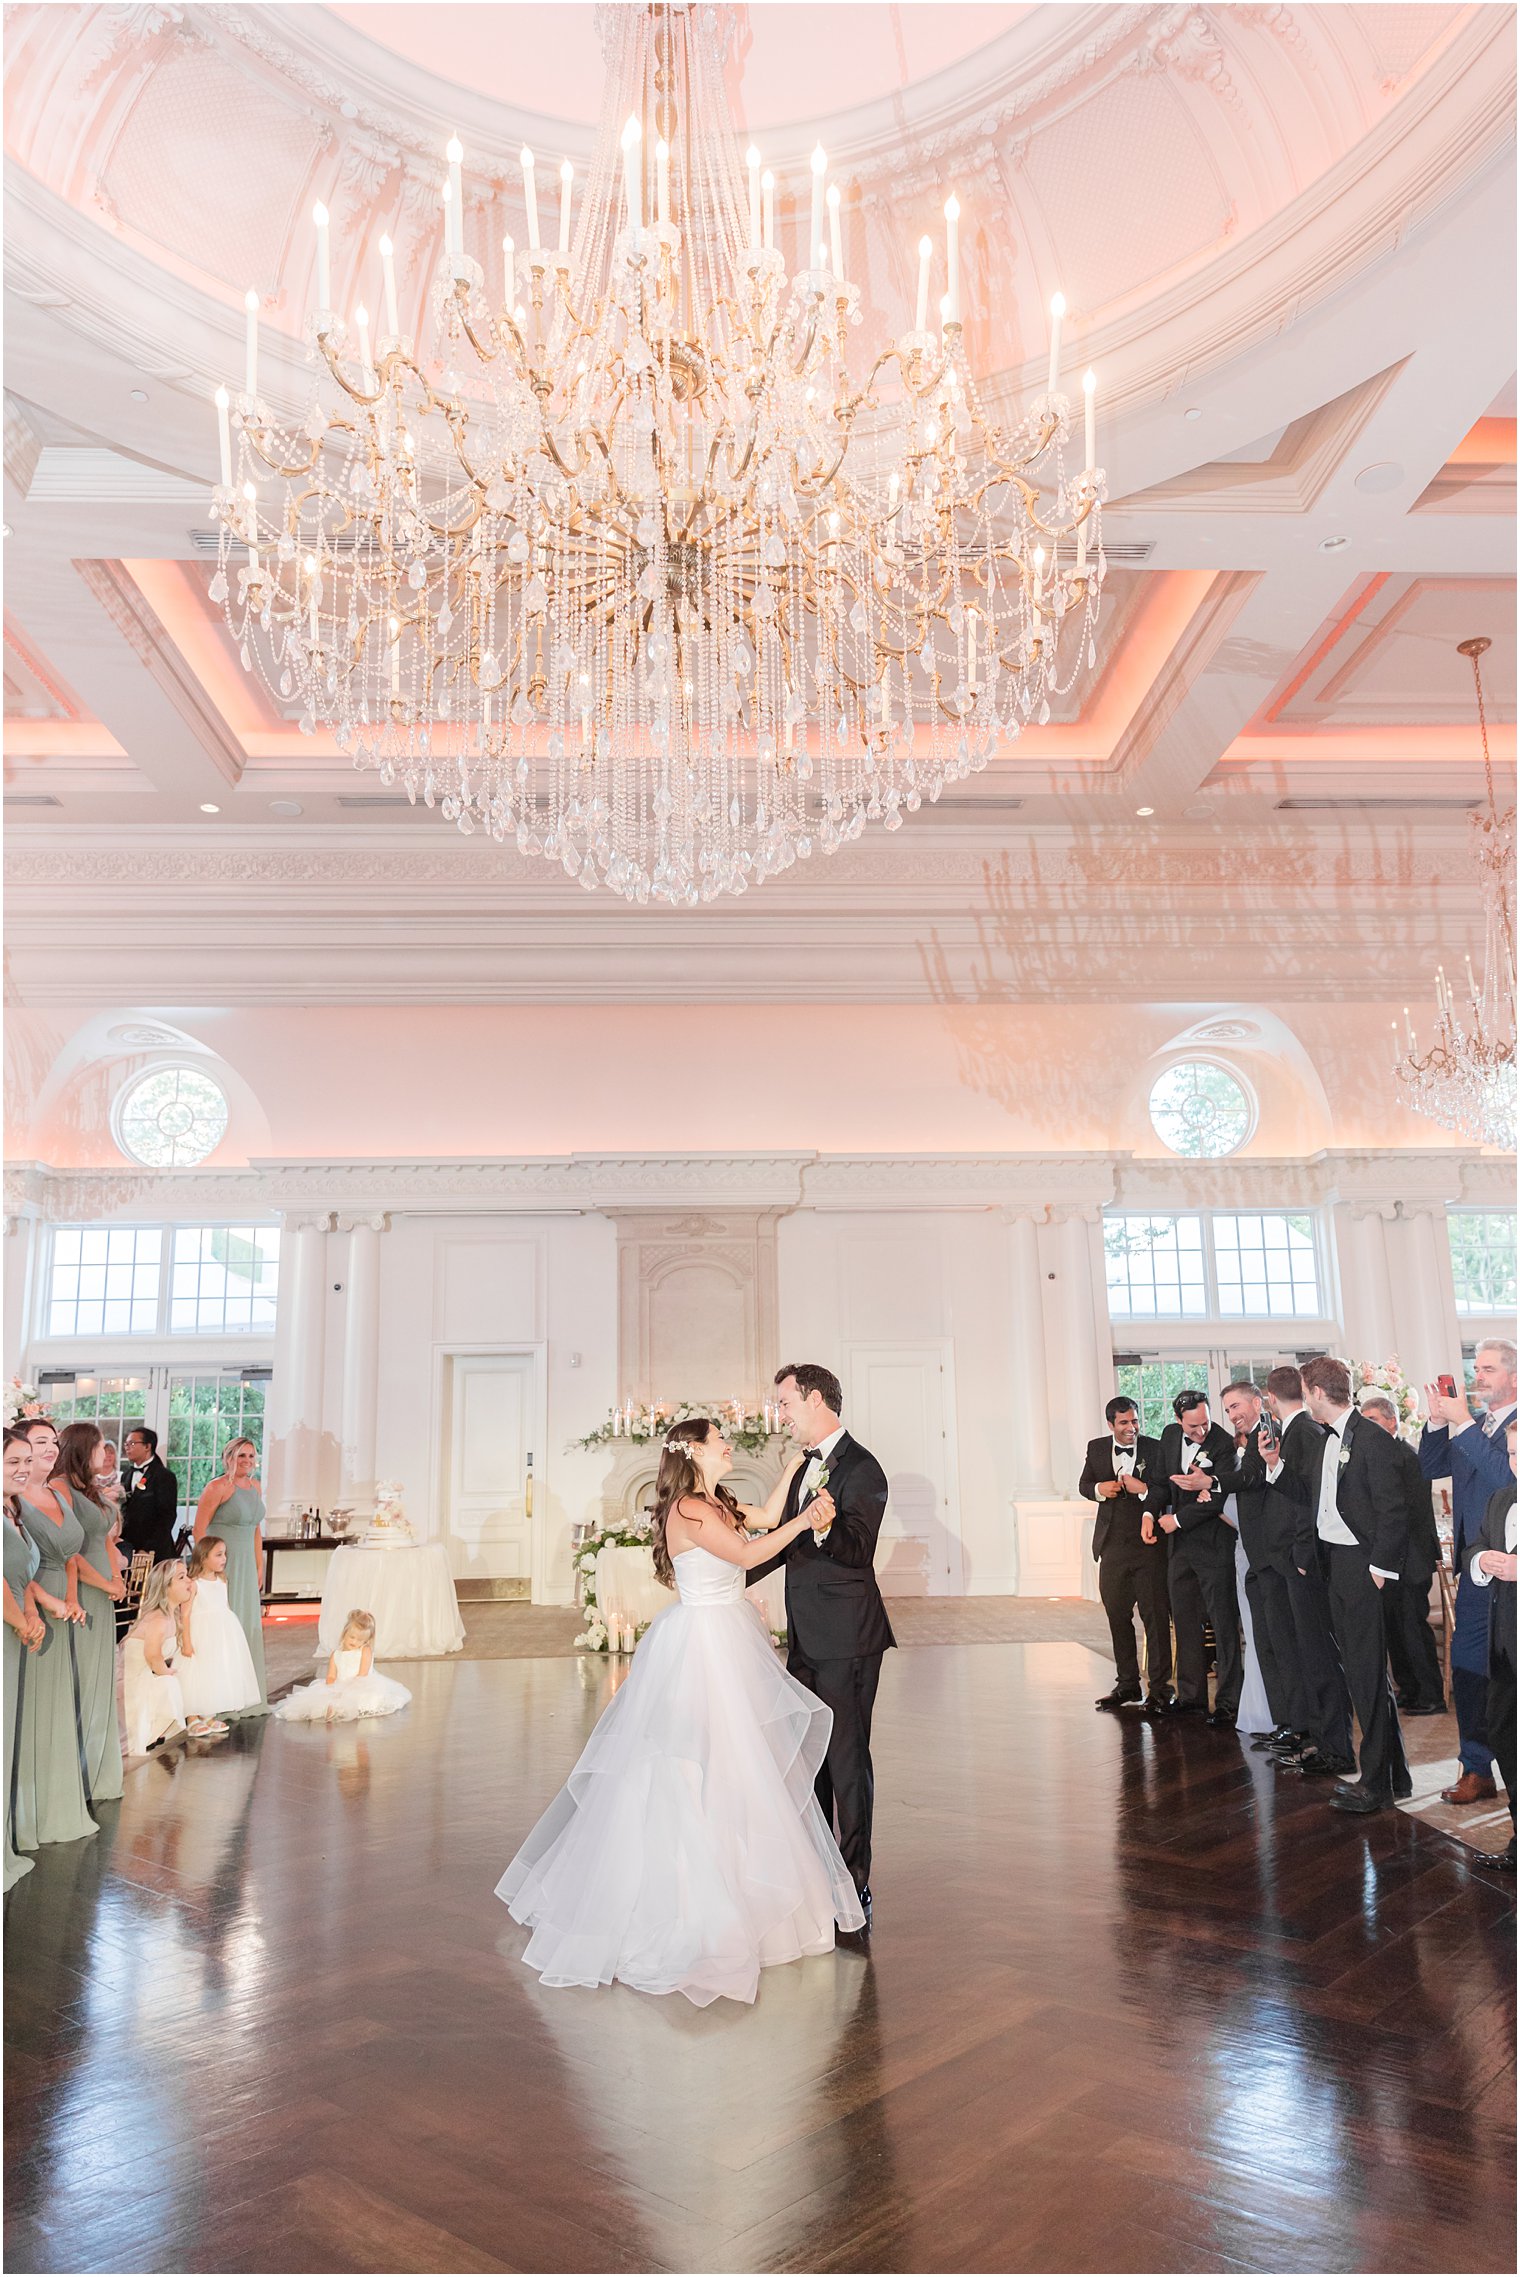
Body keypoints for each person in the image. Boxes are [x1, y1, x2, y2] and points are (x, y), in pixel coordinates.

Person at [498, 1419, 862, 2004]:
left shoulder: (712, 1500)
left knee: (740, 1763)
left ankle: (745, 1885)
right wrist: (805, 1522)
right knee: (698, 1764)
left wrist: (795, 1474)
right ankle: (693, 1902)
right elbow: (747, 1551)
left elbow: (763, 1518)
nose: (727, 1444)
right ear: (693, 1450)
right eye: (719, 1438)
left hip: (726, 1638)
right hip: (702, 1648)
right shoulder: (690, 1509)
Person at [751, 1363, 895, 1926]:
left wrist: (827, 1525)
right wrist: (720, 1582)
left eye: (785, 1404)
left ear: (814, 1399)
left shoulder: (862, 1467)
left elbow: (858, 1550)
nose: (781, 1416)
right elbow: (786, 1543)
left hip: (849, 1639)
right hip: (807, 1638)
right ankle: (821, 1870)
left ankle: (855, 1880)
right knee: (811, 1759)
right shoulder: (806, 1466)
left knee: (847, 1759)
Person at [1270, 1357, 1410, 1815]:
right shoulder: (1323, 1439)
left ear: (1314, 1392)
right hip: (1335, 1565)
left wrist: (1380, 1569)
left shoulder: (1372, 1438)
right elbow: (1313, 1496)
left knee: (1367, 1675)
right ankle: (1395, 1775)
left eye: (1304, 1389)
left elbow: (1394, 1511)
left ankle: (1375, 1784)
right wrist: (1273, 1464)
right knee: (1362, 1672)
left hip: (1362, 1567)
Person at [1420, 1340, 1517, 1806]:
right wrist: (1438, 1421)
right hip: (1476, 1573)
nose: (1478, 1377)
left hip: (1512, 1570)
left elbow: (1506, 1479)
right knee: (1467, 1669)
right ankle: (1477, 1768)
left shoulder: (1510, 1429)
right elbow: (1429, 1466)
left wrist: (1461, 1423)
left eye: (1490, 1369)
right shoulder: (1471, 1426)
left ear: (1514, 1378)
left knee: (1508, 1674)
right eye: (1475, 1368)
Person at [1258, 1366, 1353, 1779]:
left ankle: (1333, 1744)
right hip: (1298, 1557)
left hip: (1307, 1559)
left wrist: (1300, 1553)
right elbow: (1299, 1489)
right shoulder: (1296, 1434)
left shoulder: (1305, 1432)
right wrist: (1274, 1464)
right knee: (1309, 1654)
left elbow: (1308, 1504)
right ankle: (1321, 1738)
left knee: (1320, 1656)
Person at [12, 1417, 96, 1846]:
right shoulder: (14, 1498)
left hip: (65, 1605)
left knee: (60, 1703)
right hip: (32, 1604)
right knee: (30, 1705)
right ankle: (27, 1812)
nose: (48, 1448)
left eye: (51, 1441)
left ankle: (54, 1801)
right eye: (37, 1441)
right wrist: (44, 1603)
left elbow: (70, 1554)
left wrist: (75, 1597)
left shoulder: (54, 1493)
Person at [1155, 1390, 1242, 1726]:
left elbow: (1219, 1499)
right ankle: (1191, 1697)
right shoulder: (1169, 1435)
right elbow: (1162, 1484)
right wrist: (1151, 1514)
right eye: (1193, 1426)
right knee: (1186, 1623)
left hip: (1214, 1546)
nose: (1201, 1431)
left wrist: (1176, 1520)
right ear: (1179, 1421)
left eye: (1204, 1422)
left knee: (1223, 1626)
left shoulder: (1223, 1443)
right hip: (1179, 1549)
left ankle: (1229, 1702)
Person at [1079, 1396, 1171, 1713]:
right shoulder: (1095, 1448)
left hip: (1148, 1547)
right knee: (1117, 1615)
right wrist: (1098, 1490)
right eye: (1124, 1423)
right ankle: (1127, 1683)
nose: (1131, 1428)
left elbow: (1163, 1489)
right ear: (1110, 1425)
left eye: (1134, 1421)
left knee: (1155, 1617)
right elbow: (1084, 1484)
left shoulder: (1156, 1448)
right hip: (1112, 1547)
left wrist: (1142, 1488)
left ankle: (1160, 1689)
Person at [52, 1422, 126, 1806]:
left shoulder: (90, 1489)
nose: (106, 1453)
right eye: (100, 1447)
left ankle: (97, 1771)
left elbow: (106, 1538)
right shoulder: (60, 1486)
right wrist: (104, 1583)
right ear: (84, 1448)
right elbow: (69, 1552)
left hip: (103, 1588)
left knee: (101, 1681)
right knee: (80, 1679)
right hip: (82, 1589)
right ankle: (76, 1773)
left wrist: (117, 1576)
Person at [1361, 1394, 1445, 1717]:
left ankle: (1431, 1694)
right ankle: (1410, 1689)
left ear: (1392, 1422)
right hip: (1395, 1560)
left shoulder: (1405, 1455)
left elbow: (1404, 1513)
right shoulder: (1385, 1454)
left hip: (1412, 1558)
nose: (1369, 1428)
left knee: (1412, 1627)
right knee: (1396, 1628)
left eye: (1373, 1421)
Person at [1468, 1417, 1517, 1872]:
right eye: (1514, 1455)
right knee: (1504, 1734)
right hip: (1505, 1647)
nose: (1519, 1464)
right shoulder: (1501, 1500)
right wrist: (1482, 1559)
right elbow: (1474, 1548)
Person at [193, 1438, 269, 1715]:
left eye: (251, 1455)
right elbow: (199, 1530)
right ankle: (223, 1699)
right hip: (224, 1564)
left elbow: (256, 1530)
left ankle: (248, 1696)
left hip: (247, 1565)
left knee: (248, 1624)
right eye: (241, 1455)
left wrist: (259, 1565)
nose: (247, 1461)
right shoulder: (217, 1487)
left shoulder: (256, 1486)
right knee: (226, 1625)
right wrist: (210, 1566)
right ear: (229, 1457)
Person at [3, 1429, 46, 1889]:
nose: (23, 1467)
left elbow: (21, 1574)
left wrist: (31, 1613)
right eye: (12, 1460)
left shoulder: (10, 1510)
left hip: (15, 1626)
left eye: (26, 1460)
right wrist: (19, 1621)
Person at [123, 1562, 224, 1754]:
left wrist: (187, 1607)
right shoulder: (158, 1619)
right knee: (171, 1684)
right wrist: (168, 1673)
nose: (189, 1580)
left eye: (187, 1575)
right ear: (166, 1586)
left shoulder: (171, 1615)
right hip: (130, 1682)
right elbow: (153, 1656)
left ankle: (163, 1727)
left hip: (145, 1676)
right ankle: (147, 1730)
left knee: (179, 1677)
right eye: (181, 1577)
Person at [177, 1536, 264, 1721]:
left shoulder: (222, 1581)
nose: (223, 1559)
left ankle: (209, 1714)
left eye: (225, 1554)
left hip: (222, 1633)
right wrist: (186, 1642)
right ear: (203, 1557)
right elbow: (185, 1614)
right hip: (201, 1633)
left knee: (216, 1672)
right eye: (218, 1555)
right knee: (196, 1672)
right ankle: (192, 1717)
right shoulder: (194, 1584)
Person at [276, 1609, 412, 1723]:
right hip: (340, 1685)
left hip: (360, 1684)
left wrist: (348, 1688)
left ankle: (338, 1709)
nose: (355, 1642)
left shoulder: (365, 1651)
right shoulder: (336, 1655)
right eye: (352, 1637)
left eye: (360, 1640)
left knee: (365, 1700)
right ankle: (331, 1709)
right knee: (323, 1699)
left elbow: (363, 1674)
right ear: (345, 1633)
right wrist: (332, 1687)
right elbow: (331, 1675)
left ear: (366, 1641)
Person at [120, 1426, 181, 1564]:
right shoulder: (126, 1475)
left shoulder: (164, 1476)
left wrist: (148, 1548)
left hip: (155, 1550)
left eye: (132, 1444)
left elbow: (167, 1517)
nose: (127, 1447)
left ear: (148, 1446)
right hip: (129, 1547)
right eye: (126, 1444)